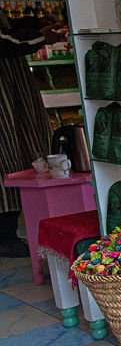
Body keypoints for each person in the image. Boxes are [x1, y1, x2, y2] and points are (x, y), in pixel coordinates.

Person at [0, 14, 67, 257]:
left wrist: (35, 23)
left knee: (22, 148)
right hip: (5, 91)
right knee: (6, 153)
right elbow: (5, 40)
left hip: (12, 84)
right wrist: (41, 36)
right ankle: (4, 233)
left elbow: (9, 27)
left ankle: (20, 226)